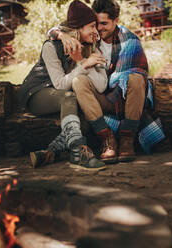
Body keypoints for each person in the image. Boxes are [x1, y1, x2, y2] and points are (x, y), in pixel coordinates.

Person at [50, 0, 164, 164]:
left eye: (104, 23)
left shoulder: (129, 40)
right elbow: (55, 30)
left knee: (136, 78)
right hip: (101, 96)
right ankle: (107, 139)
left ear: (116, 20)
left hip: (126, 97)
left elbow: (136, 74)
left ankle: (127, 138)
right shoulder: (91, 38)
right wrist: (62, 35)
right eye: (96, 24)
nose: (99, 28)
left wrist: (105, 72)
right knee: (78, 81)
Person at [17, 0, 107, 170]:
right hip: (38, 92)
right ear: (78, 29)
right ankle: (78, 152)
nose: (96, 31)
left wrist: (83, 60)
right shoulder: (51, 46)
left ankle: (50, 153)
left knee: (84, 121)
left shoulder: (92, 48)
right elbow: (60, 85)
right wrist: (84, 65)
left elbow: (101, 86)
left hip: (64, 96)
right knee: (69, 97)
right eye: (91, 26)